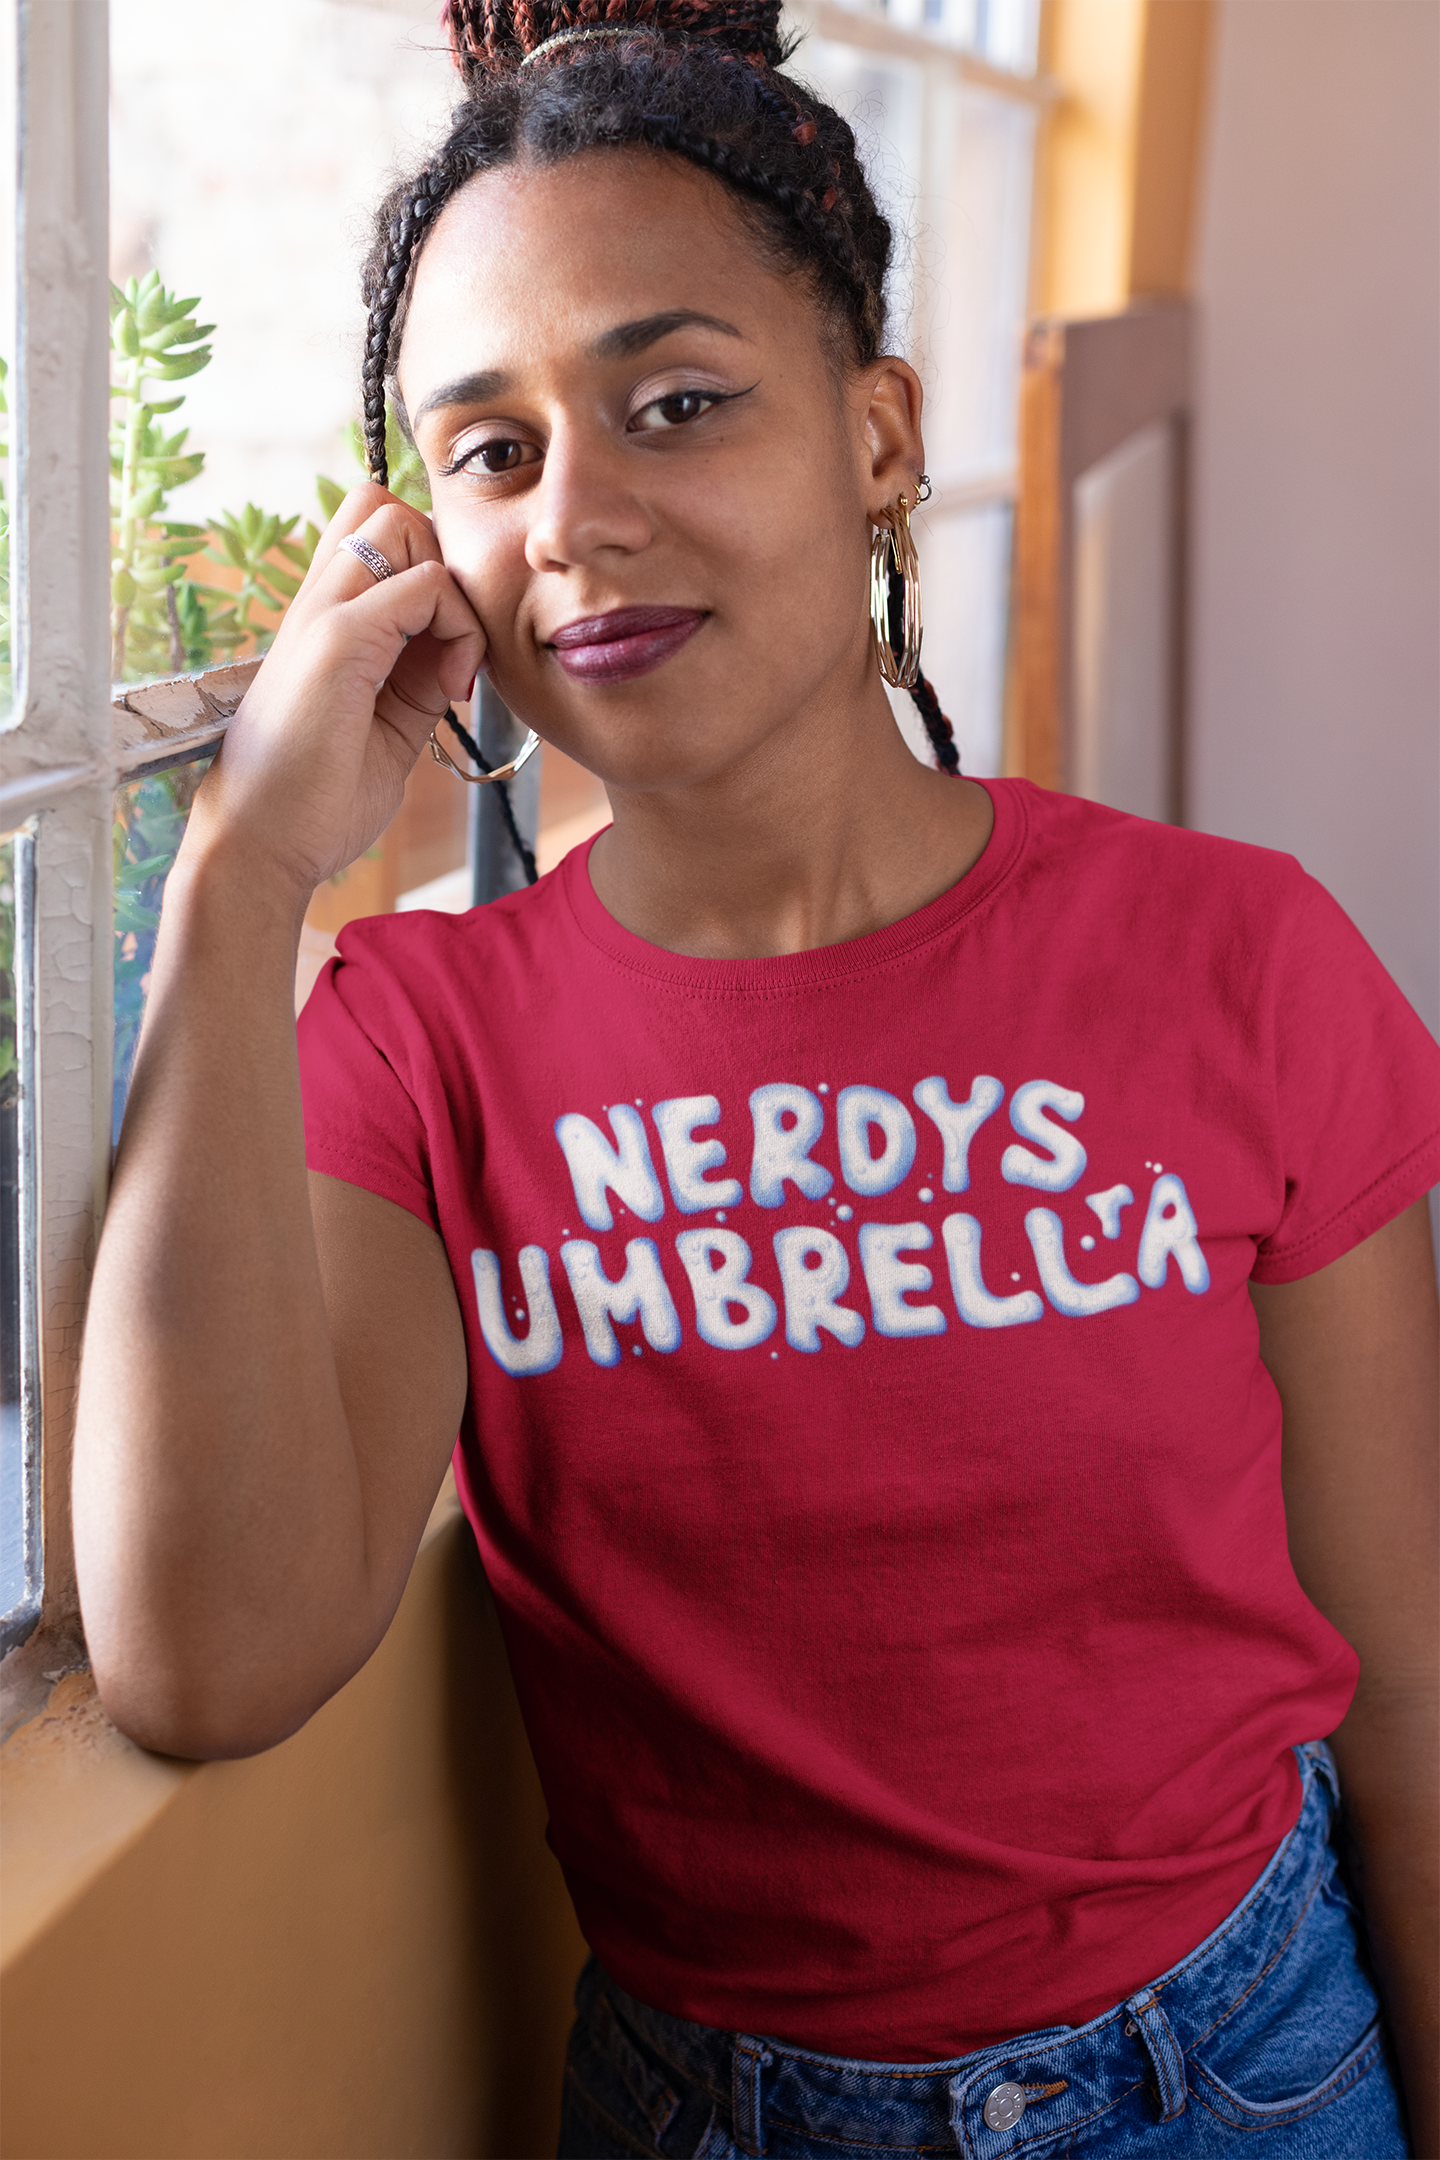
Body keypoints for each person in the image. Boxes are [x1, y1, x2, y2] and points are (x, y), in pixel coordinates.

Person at [74, 2, 1440, 2152]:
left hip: (1246, 2071)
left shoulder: (1238, 955)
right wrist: (243, 877)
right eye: (493, 453)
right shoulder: (417, 1044)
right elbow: (205, 1657)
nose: (579, 518)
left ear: (879, 433)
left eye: (677, 402)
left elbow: (1416, 1686)